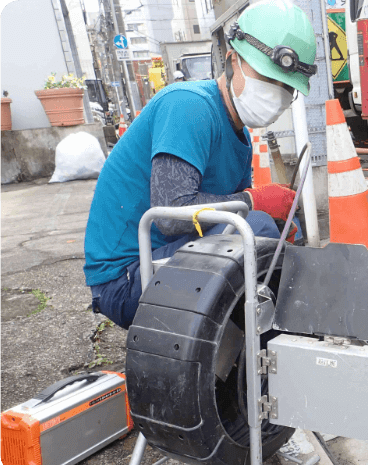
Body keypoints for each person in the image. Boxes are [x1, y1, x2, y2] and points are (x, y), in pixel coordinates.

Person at [84, 0, 317, 330]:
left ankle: (270, 349)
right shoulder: (188, 106)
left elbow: (224, 217)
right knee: (257, 231)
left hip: (159, 262)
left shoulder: (239, 139)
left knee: (273, 237)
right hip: (125, 276)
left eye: (286, 88)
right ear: (232, 60)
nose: (276, 94)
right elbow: (170, 213)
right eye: (268, 78)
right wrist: (254, 201)